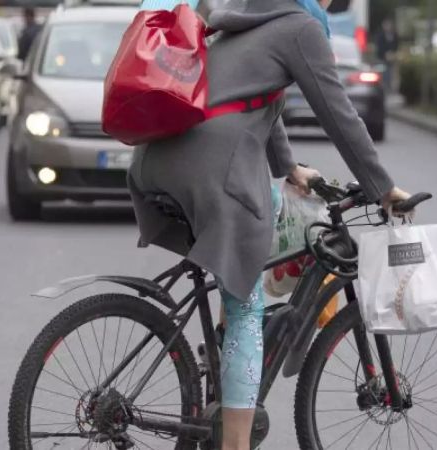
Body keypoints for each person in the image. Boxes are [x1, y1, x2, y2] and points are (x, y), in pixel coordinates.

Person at [127, 0, 412, 449]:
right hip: (209, 166)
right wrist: (383, 188)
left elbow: (256, 98)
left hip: (156, 159)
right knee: (246, 307)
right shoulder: (302, 30)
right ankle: (234, 443)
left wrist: (288, 167)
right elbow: (337, 113)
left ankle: (216, 379)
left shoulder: (243, 15)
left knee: (240, 255)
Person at [375, 18, 399, 92]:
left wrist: (393, 53)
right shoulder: (380, 35)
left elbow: (396, 44)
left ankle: (389, 87)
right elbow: (379, 46)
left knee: (391, 73)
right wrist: (385, 54)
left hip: (391, 58)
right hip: (382, 57)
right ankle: (383, 86)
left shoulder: (394, 35)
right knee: (383, 72)